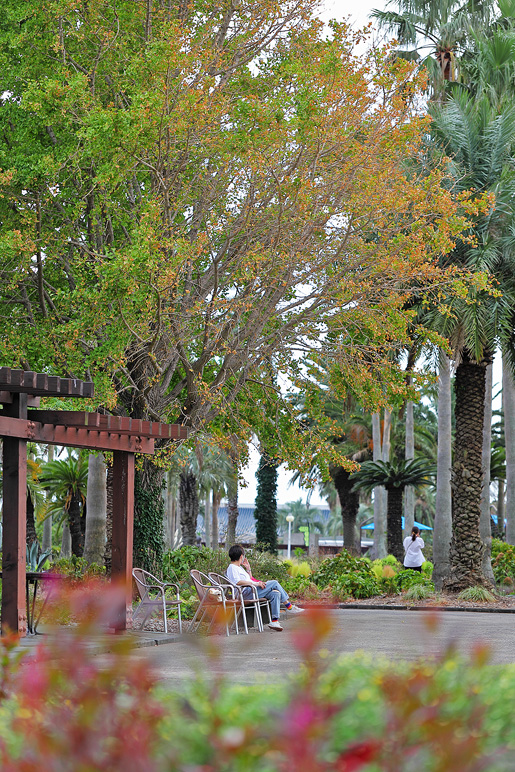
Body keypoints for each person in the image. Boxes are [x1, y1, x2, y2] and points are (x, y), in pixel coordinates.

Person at [226, 544, 304, 631]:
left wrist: (248, 569)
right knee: (274, 583)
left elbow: (250, 579)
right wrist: (257, 584)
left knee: (275, 593)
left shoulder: (239, 567)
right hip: (244, 593)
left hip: (251, 591)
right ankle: (289, 607)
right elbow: (238, 582)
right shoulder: (232, 567)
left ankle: (274, 621)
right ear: (241, 556)